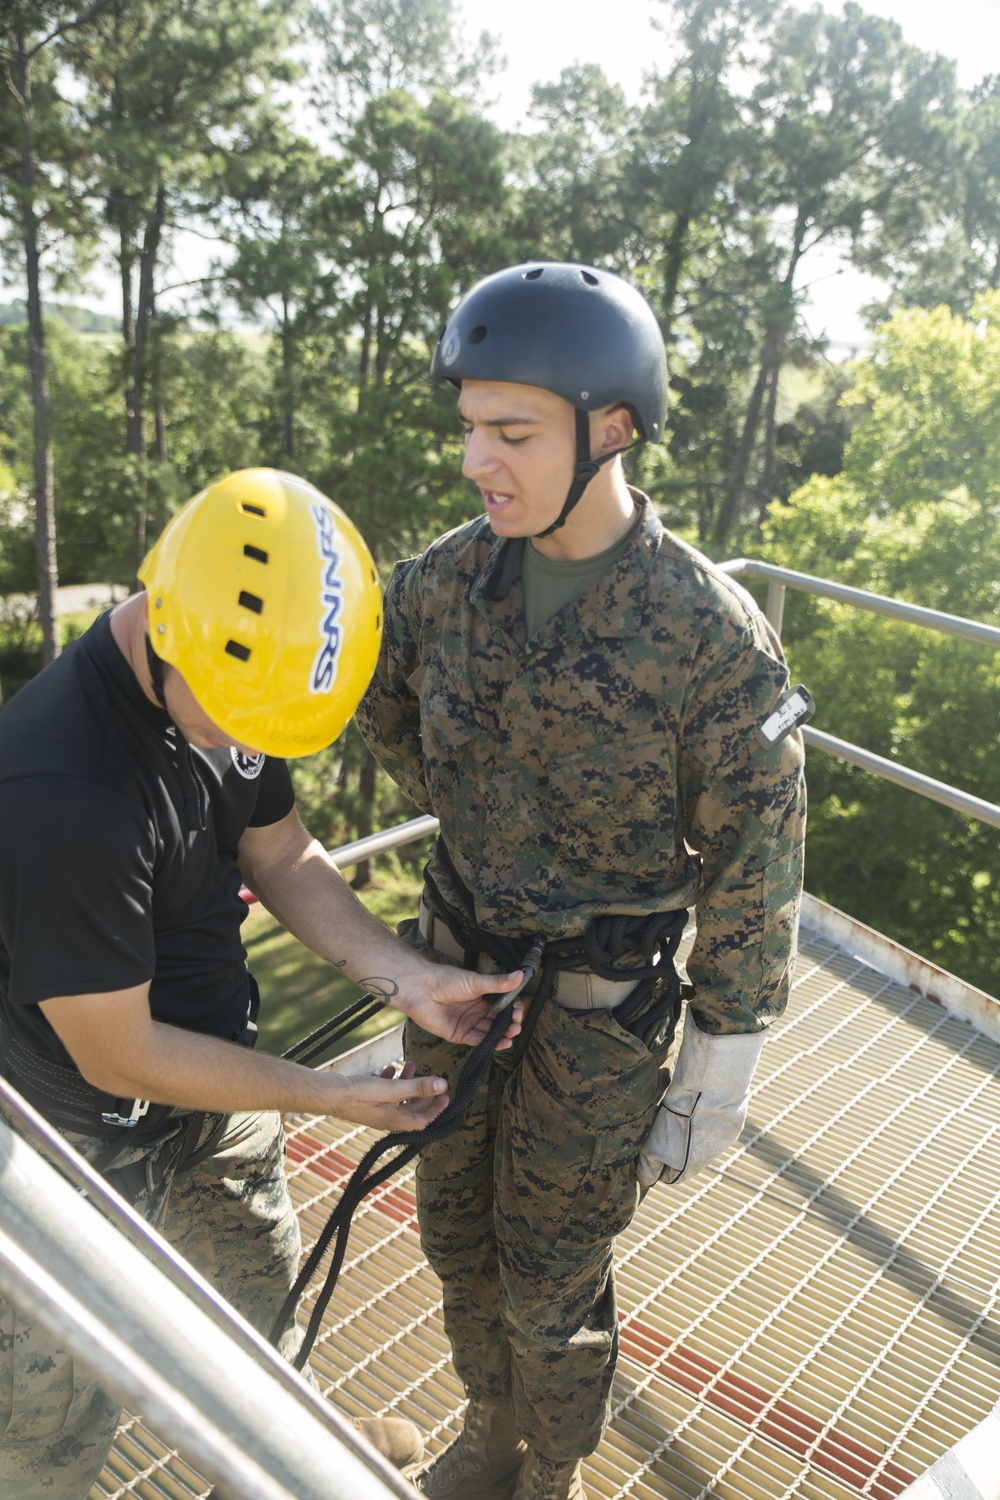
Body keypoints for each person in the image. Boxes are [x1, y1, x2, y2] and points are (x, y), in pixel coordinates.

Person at [356, 263, 808, 1500]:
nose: (475, 462)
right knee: (452, 1235)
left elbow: (757, 861)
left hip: (598, 1012)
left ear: (610, 430)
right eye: (468, 429)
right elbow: (393, 730)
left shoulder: (707, 636)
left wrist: (723, 1052)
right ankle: (486, 1432)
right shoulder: (443, 584)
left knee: (550, 1274)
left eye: (511, 433)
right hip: (455, 974)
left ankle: (546, 1470)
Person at [0, 468, 524, 1498]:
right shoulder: (62, 791)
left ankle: (293, 1455)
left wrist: (404, 977)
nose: (247, 741)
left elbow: (278, 853)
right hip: (73, 1141)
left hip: (212, 1084)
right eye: (237, 720)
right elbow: (119, 1053)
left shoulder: (239, 673)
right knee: (51, 1427)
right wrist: (326, 1095)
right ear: (169, 623)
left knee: (263, 1316)